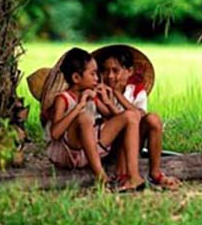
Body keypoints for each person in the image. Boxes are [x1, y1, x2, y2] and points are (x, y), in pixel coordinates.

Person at [44, 47, 146, 191]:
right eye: (92, 74)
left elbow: (116, 120)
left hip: (89, 150)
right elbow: (55, 133)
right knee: (84, 118)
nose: (97, 78)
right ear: (76, 78)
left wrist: (107, 100)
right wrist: (79, 106)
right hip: (67, 153)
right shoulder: (63, 99)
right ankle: (101, 177)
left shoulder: (92, 95)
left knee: (131, 116)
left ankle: (133, 177)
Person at [98, 48, 181, 189]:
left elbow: (140, 116)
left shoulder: (135, 90)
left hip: (132, 142)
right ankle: (124, 174)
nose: (110, 76)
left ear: (129, 71)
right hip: (109, 145)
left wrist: (119, 95)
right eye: (105, 71)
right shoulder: (99, 91)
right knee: (128, 121)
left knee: (153, 119)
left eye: (115, 70)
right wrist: (109, 100)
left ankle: (155, 173)